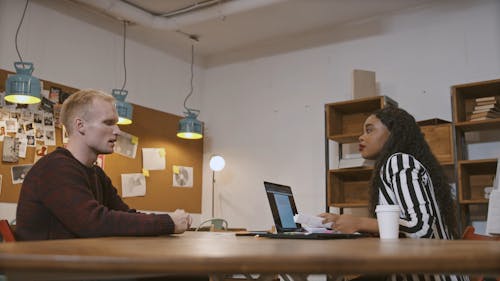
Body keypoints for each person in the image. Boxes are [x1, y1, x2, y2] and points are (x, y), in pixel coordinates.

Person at [16, 89, 191, 241]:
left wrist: (168, 221)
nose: (117, 131)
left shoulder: (96, 174)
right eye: (108, 123)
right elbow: (93, 223)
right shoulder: (56, 168)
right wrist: (168, 222)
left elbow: (124, 215)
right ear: (80, 125)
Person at [320, 106, 466, 281]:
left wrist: (358, 222)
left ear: (393, 133)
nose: (361, 137)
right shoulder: (399, 164)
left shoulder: (399, 162)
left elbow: (421, 228)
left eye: (369, 130)